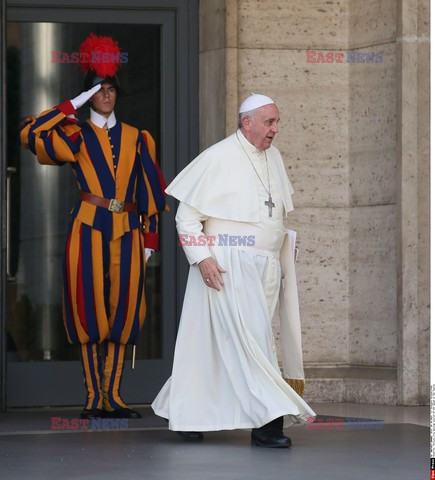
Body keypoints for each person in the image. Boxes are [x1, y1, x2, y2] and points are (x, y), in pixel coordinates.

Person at [152, 93, 315, 448]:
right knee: (253, 343)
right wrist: (202, 258)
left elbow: (273, 212)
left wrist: (282, 244)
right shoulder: (218, 156)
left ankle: (186, 411)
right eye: (269, 122)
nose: (275, 130)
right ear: (247, 122)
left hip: (266, 267)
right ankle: (268, 424)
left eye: (276, 122)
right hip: (227, 265)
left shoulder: (274, 157)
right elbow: (187, 217)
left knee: (220, 345)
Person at [20, 34, 167, 419]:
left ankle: (113, 396)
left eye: (111, 88)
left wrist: (150, 239)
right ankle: (92, 397)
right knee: (88, 307)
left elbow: (152, 192)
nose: (106, 93)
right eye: (98, 89)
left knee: (125, 310)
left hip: (129, 229)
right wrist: (73, 105)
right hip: (87, 228)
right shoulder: (74, 133)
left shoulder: (139, 138)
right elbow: (30, 133)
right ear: (88, 94)